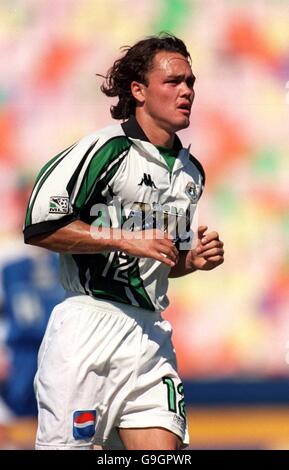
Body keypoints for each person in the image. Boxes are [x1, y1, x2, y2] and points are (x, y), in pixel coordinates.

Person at [23, 33, 224, 450]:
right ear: (138, 90)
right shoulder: (105, 149)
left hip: (151, 335)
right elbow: (41, 227)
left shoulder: (192, 174)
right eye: (173, 82)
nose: (186, 91)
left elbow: (166, 260)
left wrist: (193, 259)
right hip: (87, 328)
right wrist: (127, 241)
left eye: (190, 82)